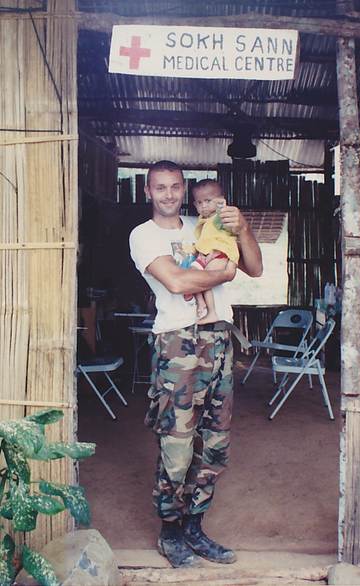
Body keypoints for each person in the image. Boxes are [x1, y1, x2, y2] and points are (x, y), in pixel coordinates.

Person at [129, 160, 262, 569]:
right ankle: (170, 531)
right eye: (160, 187)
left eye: (175, 187)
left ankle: (194, 526)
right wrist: (223, 273)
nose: (169, 194)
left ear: (184, 189)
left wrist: (243, 229)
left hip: (219, 338)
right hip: (177, 344)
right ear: (148, 192)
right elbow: (178, 282)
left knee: (215, 441)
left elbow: (255, 267)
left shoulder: (204, 223)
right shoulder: (143, 235)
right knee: (177, 442)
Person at [189, 179, 240, 325]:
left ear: (219, 201)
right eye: (199, 202)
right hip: (204, 256)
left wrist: (221, 207)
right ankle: (201, 302)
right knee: (190, 276)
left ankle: (212, 313)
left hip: (219, 255)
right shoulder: (203, 220)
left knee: (205, 280)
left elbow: (231, 229)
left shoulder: (220, 217)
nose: (203, 205)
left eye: (208, 201)